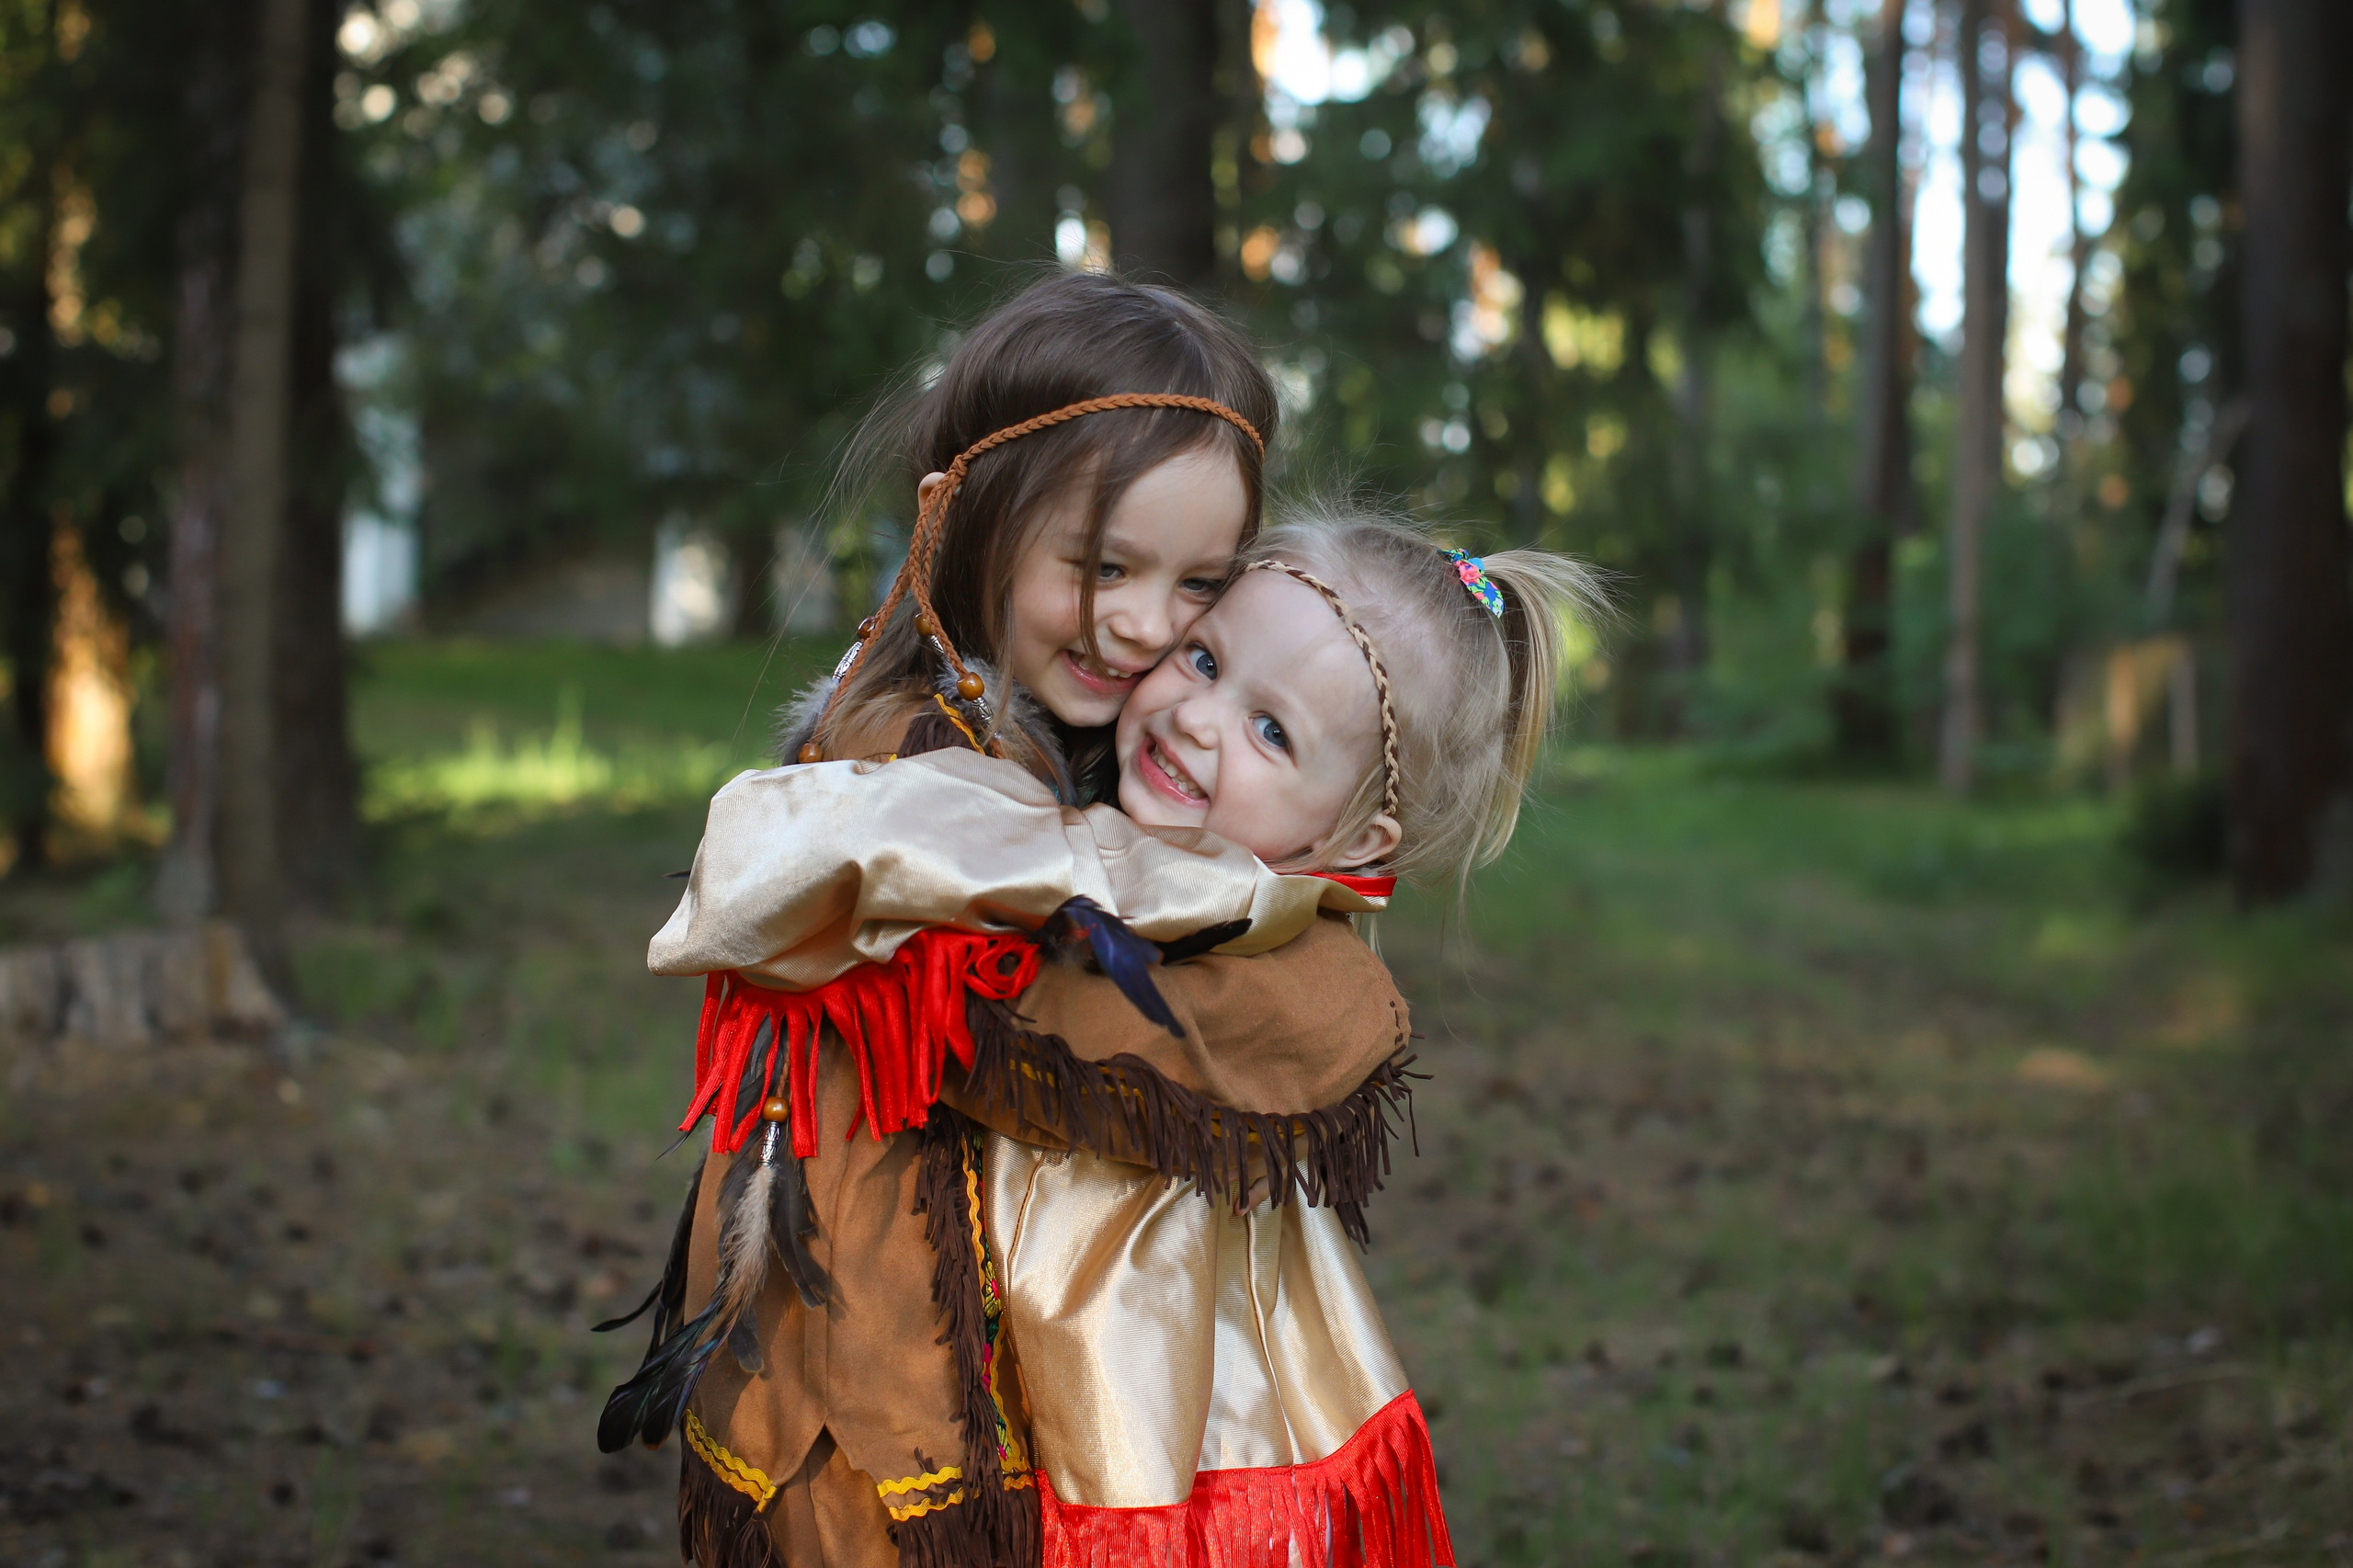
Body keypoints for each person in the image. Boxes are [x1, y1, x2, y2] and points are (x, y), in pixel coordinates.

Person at [619, 500, 1604, 1568]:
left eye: (1273, 731)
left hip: (1130, 1433)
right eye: (1204, 657)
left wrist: (929, 972)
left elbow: (1089, 1027)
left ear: (1355, 838)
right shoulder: (1067, 811)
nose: (1198, 717)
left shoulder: (1276, 949)